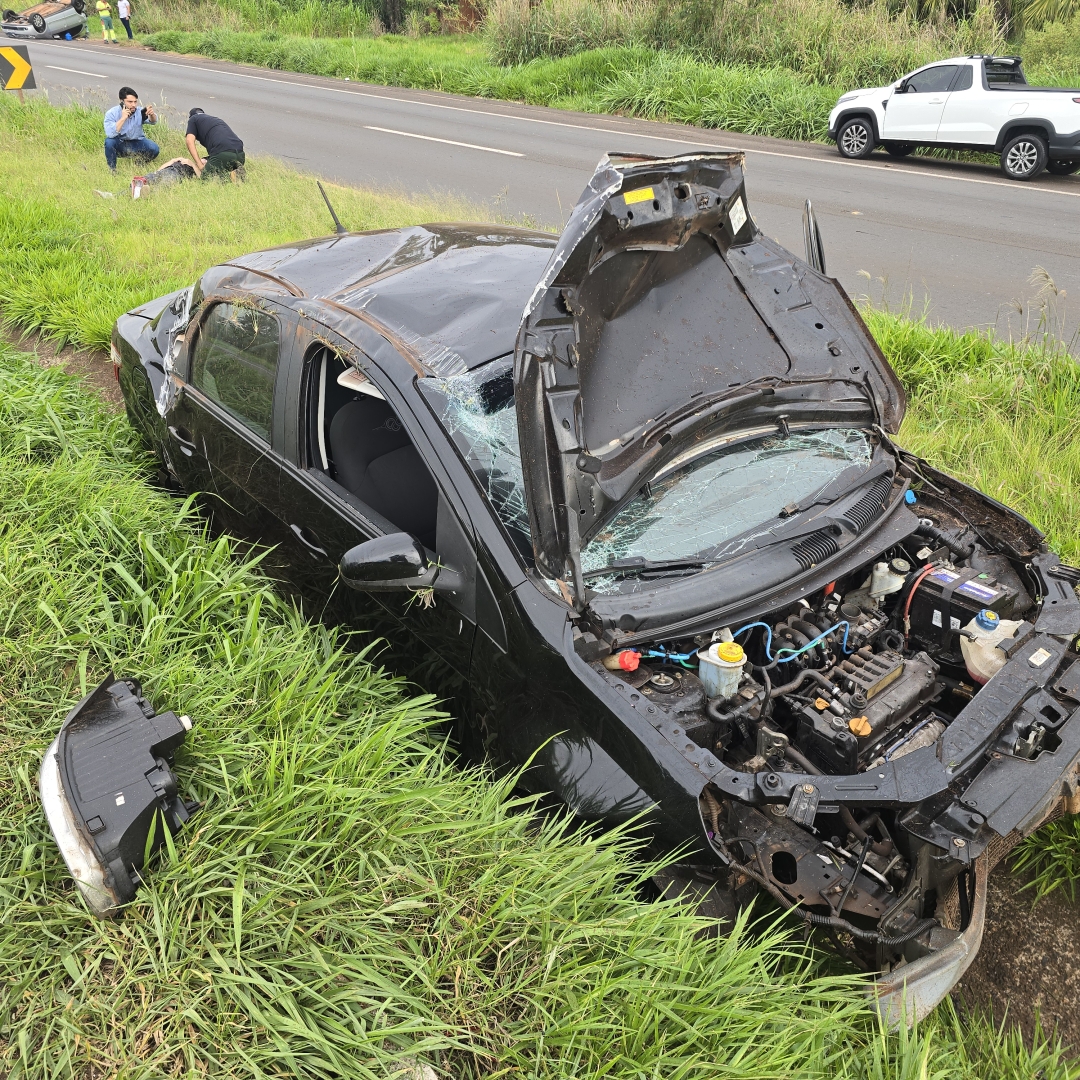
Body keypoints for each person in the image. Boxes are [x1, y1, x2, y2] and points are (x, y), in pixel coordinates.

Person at [103, 86, 159, 172]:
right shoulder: (112, 113)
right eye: (130, 102)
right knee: (109, 142)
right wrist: (123, 118)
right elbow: (110, 134)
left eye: (135, 102)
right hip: (120, 143)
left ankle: (139, 164)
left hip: (137, 142)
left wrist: (152, 115)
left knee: (154, 148)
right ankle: (112, 169)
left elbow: (153, 122)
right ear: (122, 101)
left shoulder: (139, 112)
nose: (133, 105)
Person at [185, 107, 245, 180]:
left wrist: (199, 164)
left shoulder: (193, 118)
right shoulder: (215, 120)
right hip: (240, 155)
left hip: (223, 153)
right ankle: (235, 175)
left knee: (206, 179)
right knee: (220, 171)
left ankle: (230, 178)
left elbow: (189, 141)